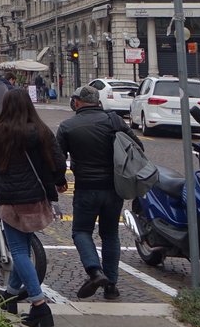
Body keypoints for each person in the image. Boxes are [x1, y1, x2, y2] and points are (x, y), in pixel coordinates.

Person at [0, 89, 67, 327]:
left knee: (18, 250)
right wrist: (55, 180)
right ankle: (9, 295)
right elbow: (59, 162)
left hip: (10, 199)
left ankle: (40, 305)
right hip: (37, 198)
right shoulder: (41, 130)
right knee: (25, 246)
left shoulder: (2, 132)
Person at [56, 84, 144, 301]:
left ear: (76, 102)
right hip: (113, 188)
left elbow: (58, 160)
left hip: (86, 187)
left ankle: (95, 272)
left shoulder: (67, 126)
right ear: (98, 102)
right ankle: (111, 286)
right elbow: (138, 146)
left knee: (81, 231)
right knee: (110, 234)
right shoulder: (114, 122)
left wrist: (59, 181)